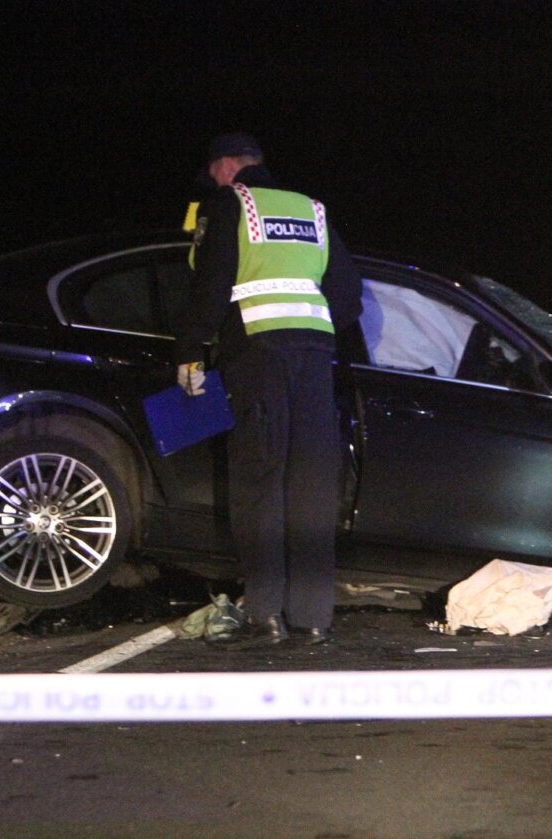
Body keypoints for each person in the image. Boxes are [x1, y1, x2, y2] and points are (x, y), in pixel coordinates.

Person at [175, 133, 362, 648]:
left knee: (260, 479)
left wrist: (190, 350)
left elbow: (211, 283)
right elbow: (349, 294)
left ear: (227, 166)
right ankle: (313, 616)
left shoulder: (230, 203)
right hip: (314, 354)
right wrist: (314, 324)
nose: (212, 180)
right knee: (311, 483)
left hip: (257, 353)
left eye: (213, 171)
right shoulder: (312, 209)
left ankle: (265, 614)